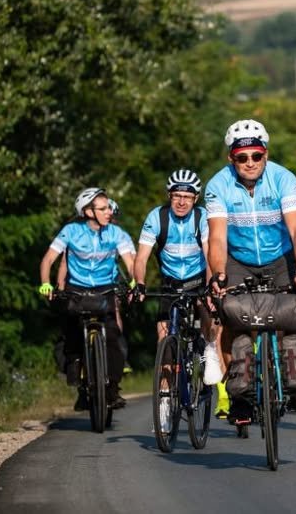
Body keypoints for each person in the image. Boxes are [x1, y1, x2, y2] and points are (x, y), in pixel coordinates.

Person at [206, 118, 296, 427]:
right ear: (232, 158)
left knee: (293, 314)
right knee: (235, 319)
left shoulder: (284, 179)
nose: (250, 162)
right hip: (239, 260)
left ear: (266, 153)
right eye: (242, 157)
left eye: (256, 155)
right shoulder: (217, 185)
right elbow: (217, 238)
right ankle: (241, 397)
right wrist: (218, 274)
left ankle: (295, 379)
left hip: (280, 258)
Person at [131, 169, 223, 433]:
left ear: (196, 199)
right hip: (170, 283)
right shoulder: (157, 217)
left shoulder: (202, 217)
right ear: (169, 196)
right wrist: (139, 283)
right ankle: (163, 408)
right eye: (176, 196)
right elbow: (141, 257)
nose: (182, 202)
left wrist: (211, 285)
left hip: (198, 279)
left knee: (206, 309)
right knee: (164, 344)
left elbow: (210, 253)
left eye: (187, 197)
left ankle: (209, 348)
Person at [38, 187, 136, 410]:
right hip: (77, 290)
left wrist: (134, 282)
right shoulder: (71, 231)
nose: (109, 212)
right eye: (103, 208)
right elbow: (48, 260)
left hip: (105, 290)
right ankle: (77, 373)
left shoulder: (116, 233)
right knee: (70, 331)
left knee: (114, 337)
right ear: (88, 212)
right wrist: (46, 283)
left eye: (109, 208)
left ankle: (112, 389)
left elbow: (130, 262)